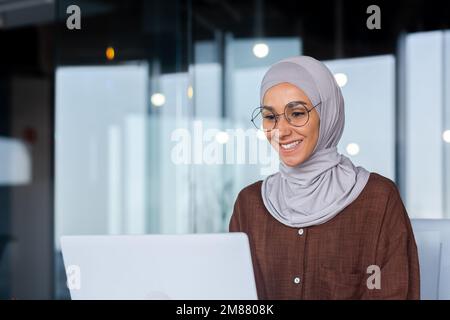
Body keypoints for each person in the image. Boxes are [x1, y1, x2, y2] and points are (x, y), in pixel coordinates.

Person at [229, 56, 420, 300]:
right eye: (270, 117)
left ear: (326, 114)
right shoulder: (250, 204)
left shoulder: (377, 199)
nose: (281, 130)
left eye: (297, 113)